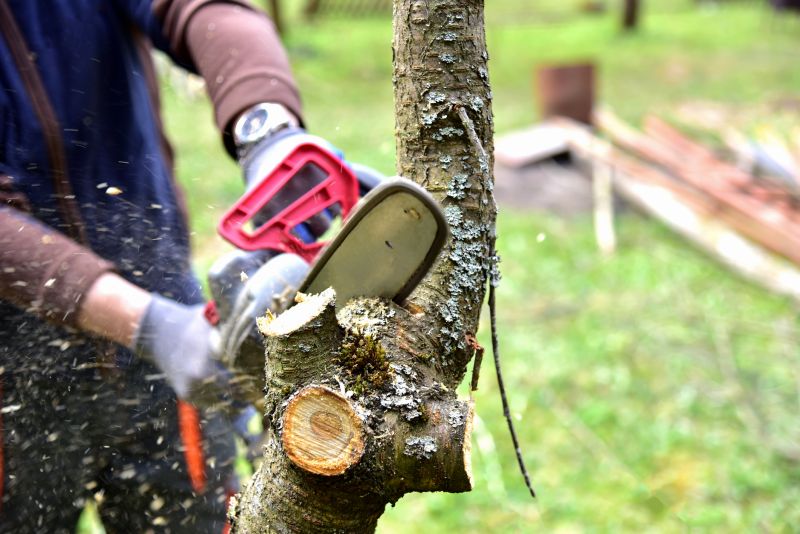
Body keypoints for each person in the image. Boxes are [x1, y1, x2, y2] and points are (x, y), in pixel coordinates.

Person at [0, 1, 325, 531]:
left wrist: (267, 128)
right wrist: (147, 324)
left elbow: (204, 9)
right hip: (14, 385)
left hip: (175, 351)